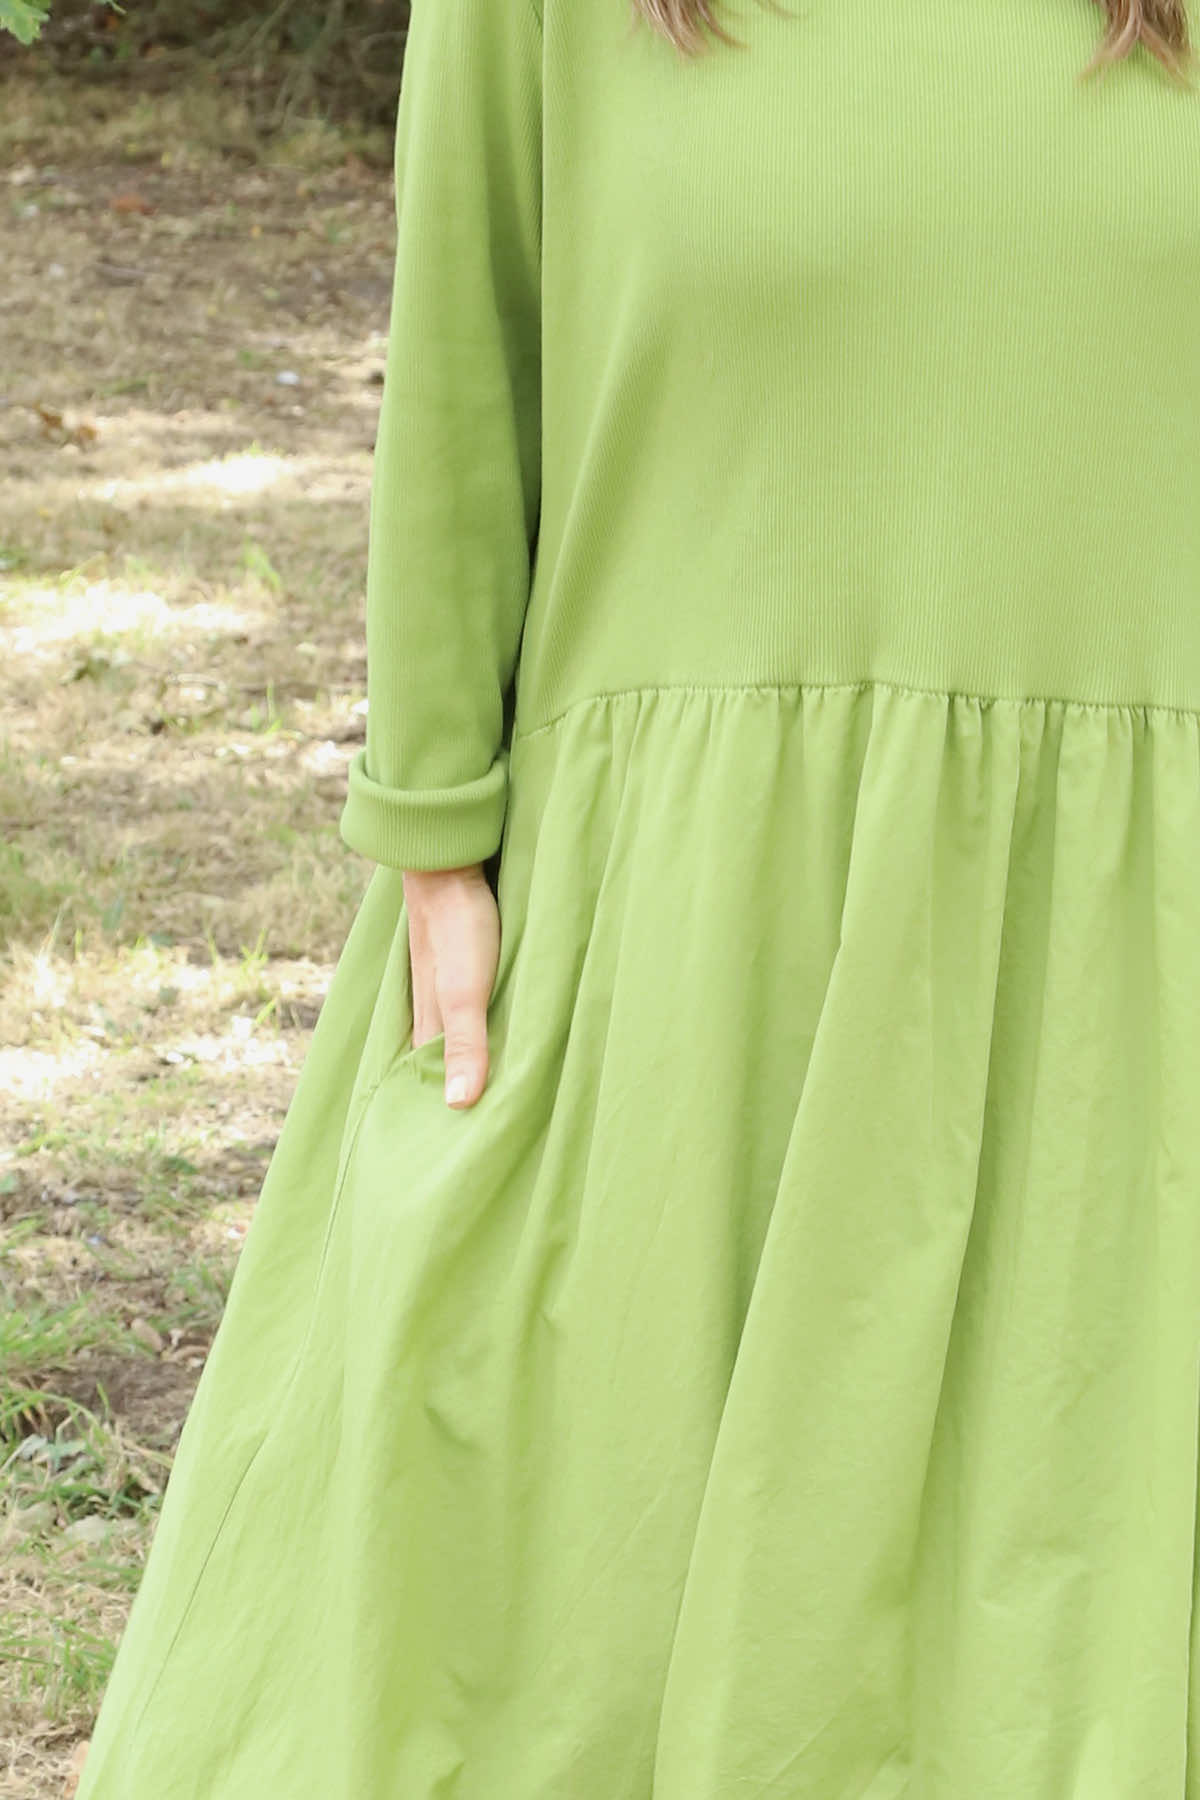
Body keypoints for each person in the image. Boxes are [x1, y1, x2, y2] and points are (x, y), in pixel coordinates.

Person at [75, 0, 1200, 1793]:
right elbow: (466, 350)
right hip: (685, 929)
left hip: (1128, 977)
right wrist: (435, 824)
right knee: (541, 1625)